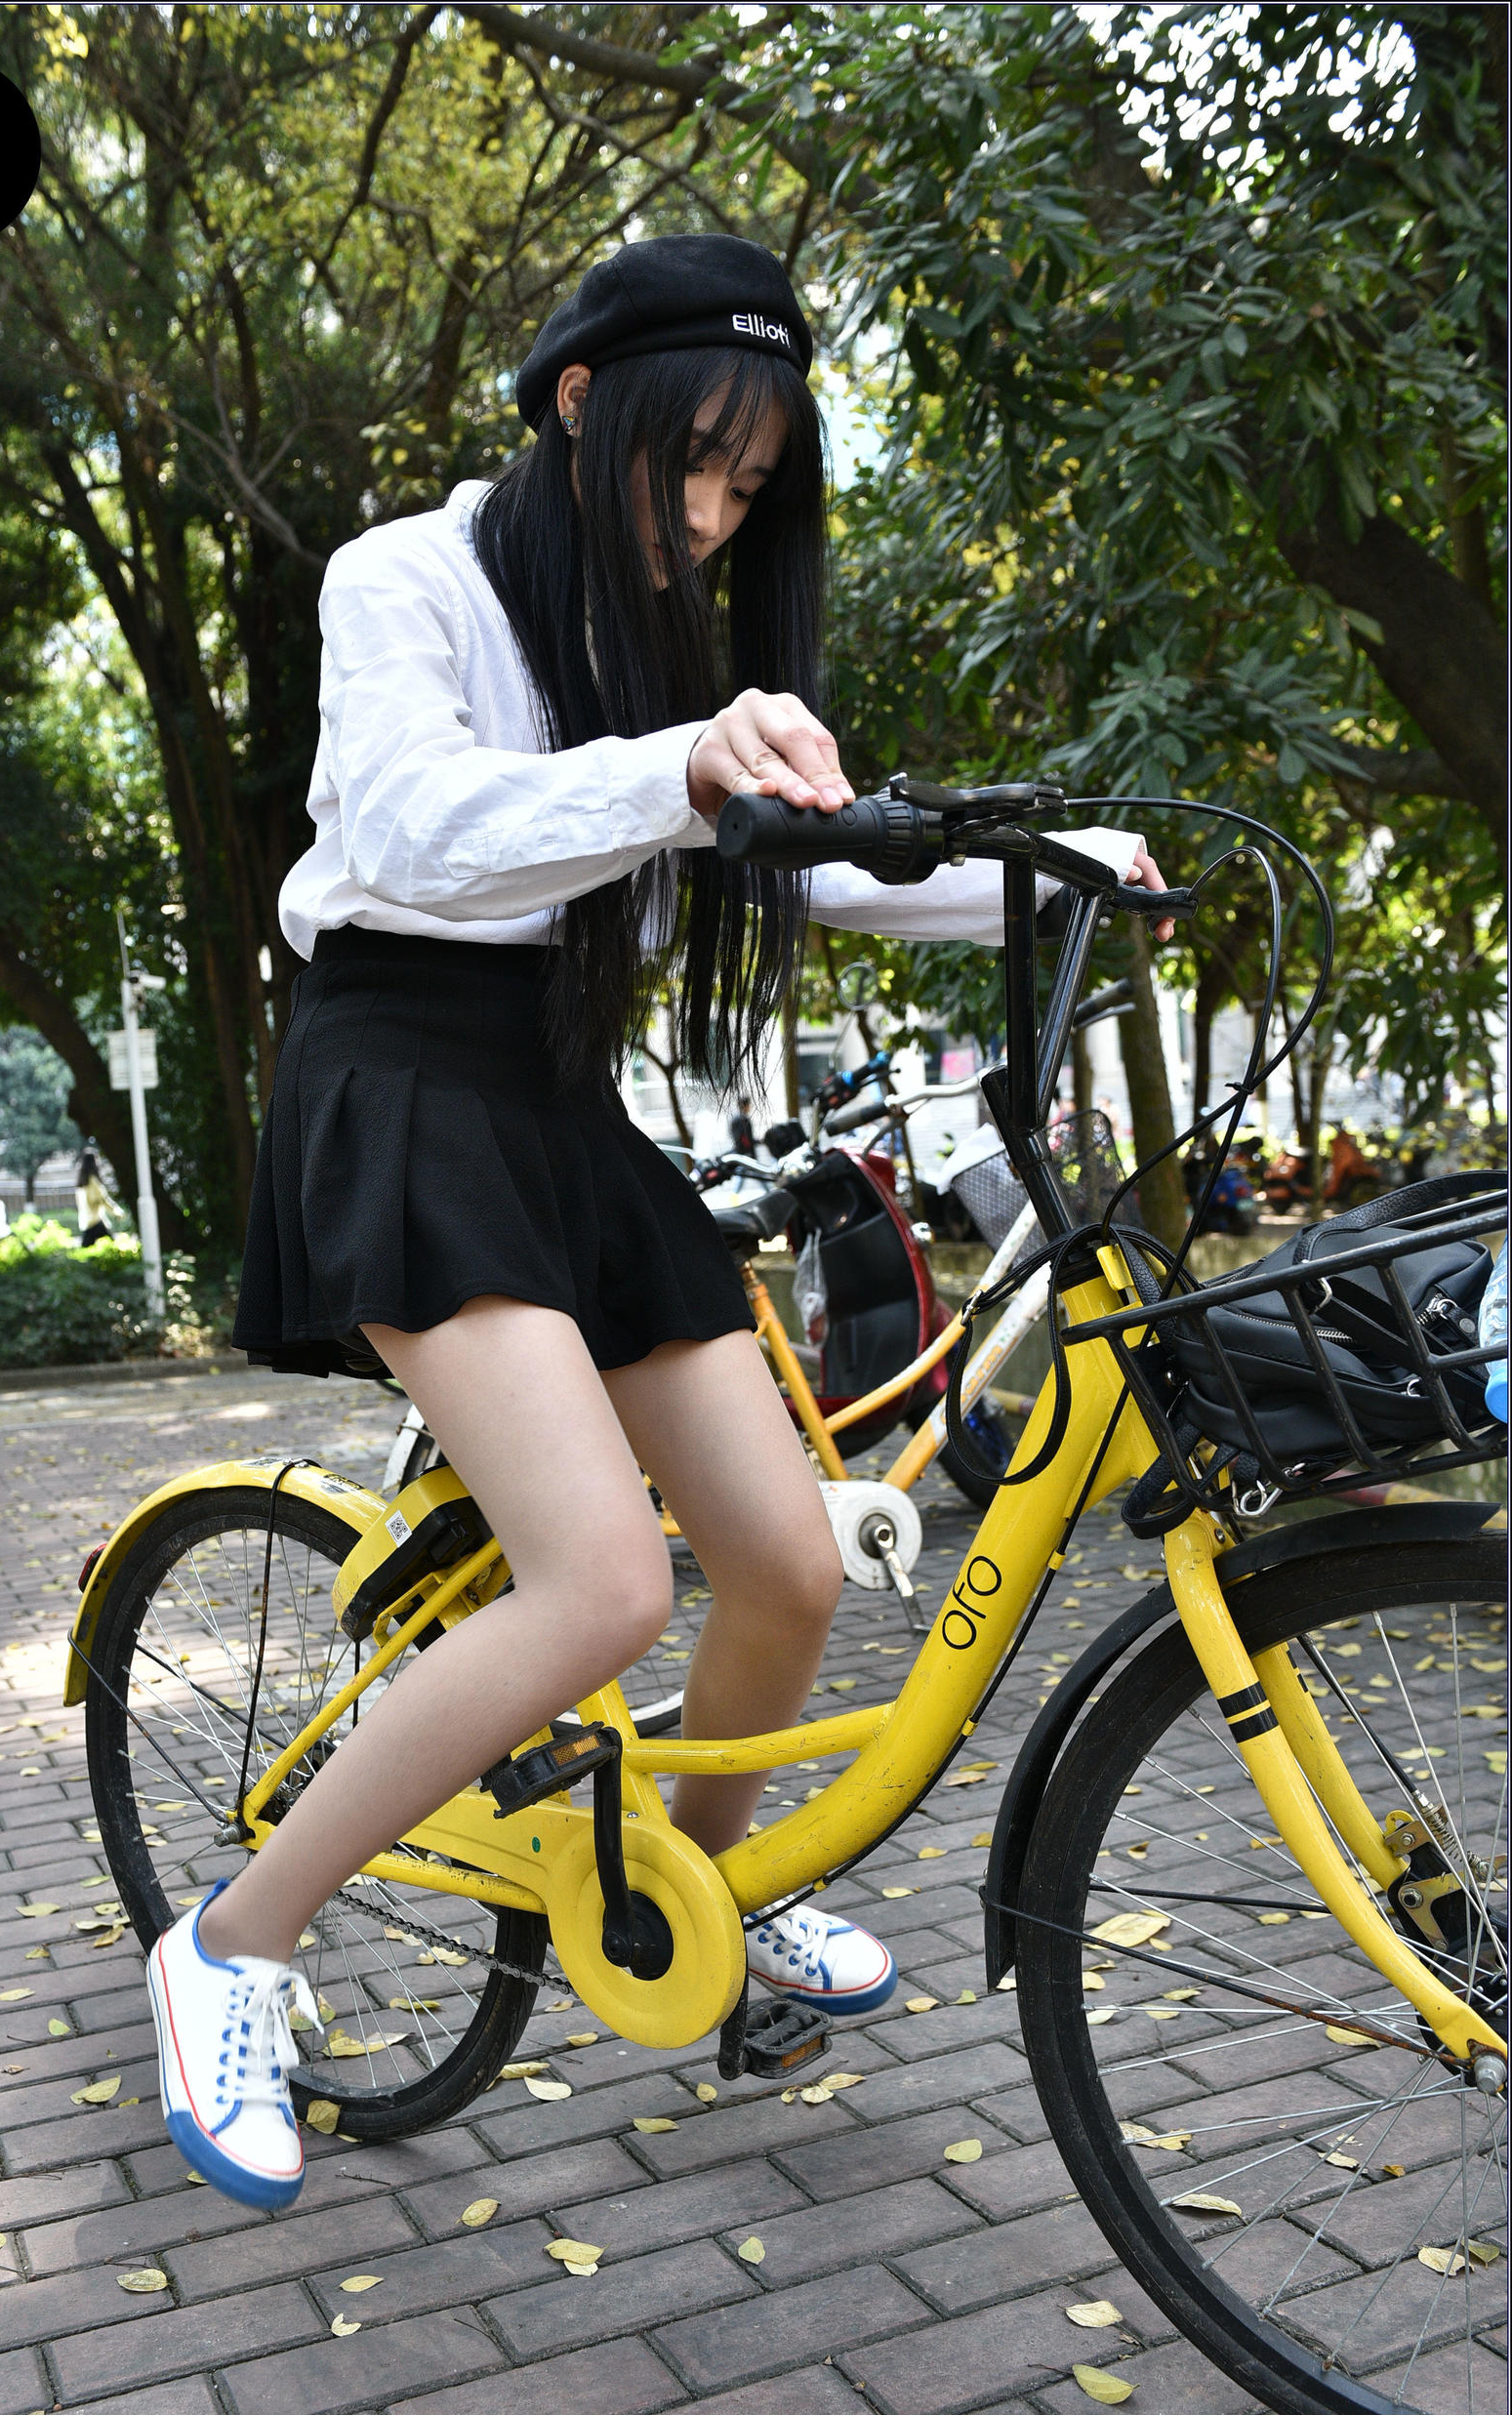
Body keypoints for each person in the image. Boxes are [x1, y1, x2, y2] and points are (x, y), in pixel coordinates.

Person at [149, 234, 1166, 2210]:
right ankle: (230, 1948)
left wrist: (1065, 865)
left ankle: (695, 1897)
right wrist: (680, 767)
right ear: (575, 402)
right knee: (607, 1584)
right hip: (399, 1077)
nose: (712, 517)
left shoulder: (659, 652)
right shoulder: (406, 577)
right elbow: (410, 822)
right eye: (693, 462)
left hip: (555, 1103)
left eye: (748, 486)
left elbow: (800, 870)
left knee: (786, 1558)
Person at [73, 1147, 111, 1247]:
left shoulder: (81, 1183)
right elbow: (101, 1200)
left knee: (86, 1249)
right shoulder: (93, 1181)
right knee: (113, 1247)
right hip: (96, 1221)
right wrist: (116, 1211)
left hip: (87, 1221)